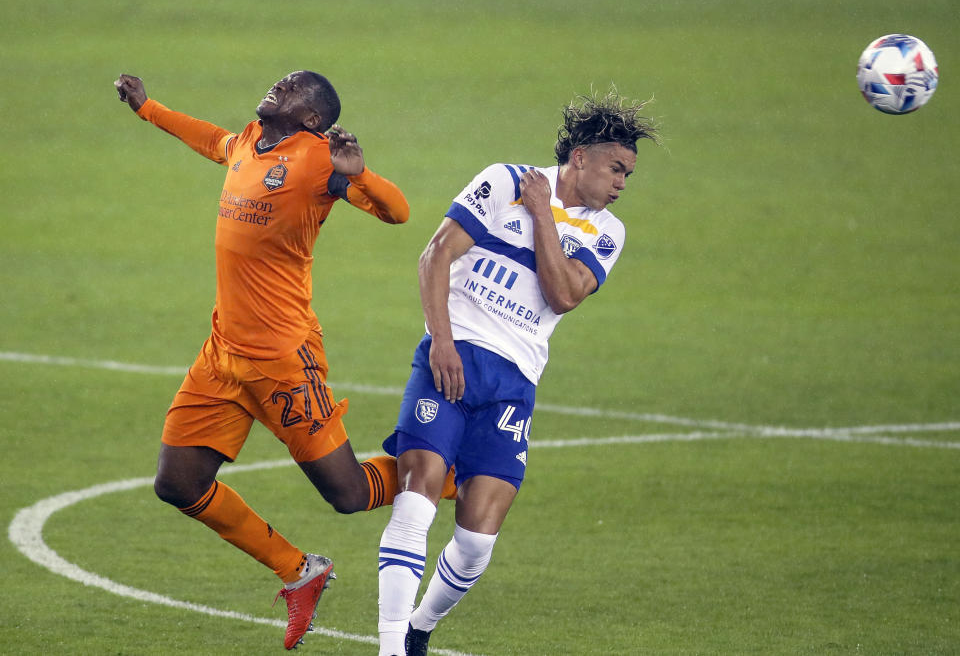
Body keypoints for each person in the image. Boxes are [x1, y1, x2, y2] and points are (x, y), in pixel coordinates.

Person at [114, 71, 451, 650]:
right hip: (222, 355)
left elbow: (398, 213)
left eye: (293, 86)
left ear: (313, 118)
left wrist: (359, 173)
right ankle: (300, 572)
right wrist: (149, 109)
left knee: (346, 494)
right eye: (282, 79)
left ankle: (449, 472)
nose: (279, 83)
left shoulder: (322, 160)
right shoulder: (249, 139)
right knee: (178, 482)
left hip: (284, 361)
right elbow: (211, 139)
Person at [375, 88, 661, 655]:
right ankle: (388, 648)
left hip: (514, 385)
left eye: (628, 173)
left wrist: (541, 215)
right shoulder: (503, 180)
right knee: (417, 497)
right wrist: (442, 342)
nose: (622, 183)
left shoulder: (607, 232)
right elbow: (435, 256)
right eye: (616, 168)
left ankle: (418, 629)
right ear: (580, 157)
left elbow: (563, 295)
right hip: (452, 361)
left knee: (477, 538)